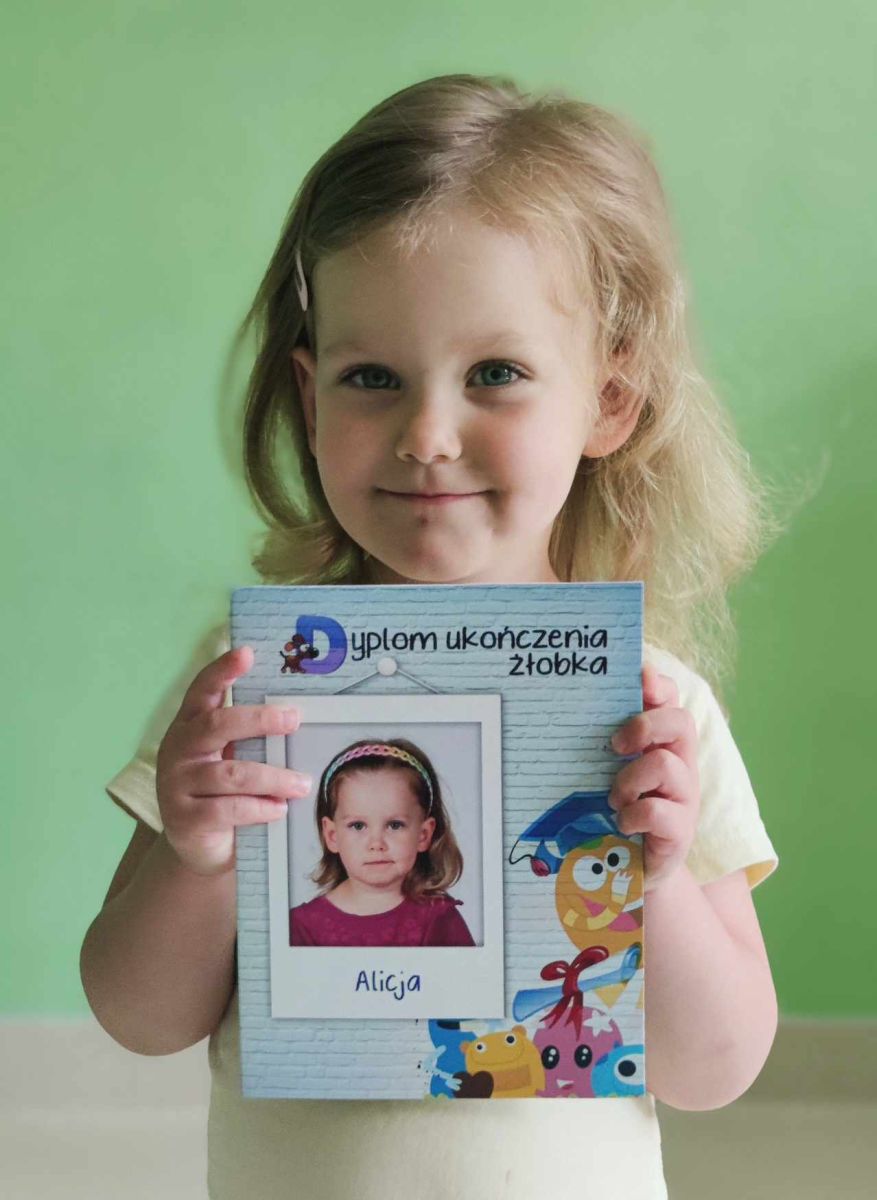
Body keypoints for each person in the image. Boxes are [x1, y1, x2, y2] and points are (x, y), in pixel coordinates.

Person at [81, 72, 781, 1200]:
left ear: (609, 399)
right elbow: (139, 1016)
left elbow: (717, 1067)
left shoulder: (652, 710)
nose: (426, 434)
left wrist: (651, 883)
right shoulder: (251, 687)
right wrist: (197, 853)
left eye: (495, 374)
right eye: (371, 377)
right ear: (310, 399)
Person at [289, 737, 476, 947]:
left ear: (423, 835)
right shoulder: (300, 927)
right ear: (332, 836)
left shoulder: (439, 919)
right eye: (358, 826)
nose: (376, 844)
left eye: (394, 825)